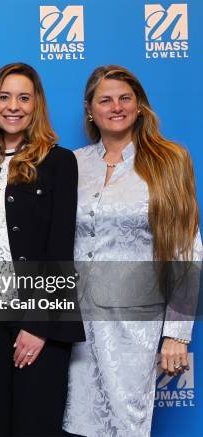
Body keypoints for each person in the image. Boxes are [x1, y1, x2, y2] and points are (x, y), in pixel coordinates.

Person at [63, 65, 201, 437]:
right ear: (90, 110)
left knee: (127, 423)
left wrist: (177, 333)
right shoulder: (72, 164)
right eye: (105, 100)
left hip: (133, 324)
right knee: (74, 423)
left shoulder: (169, 160)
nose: (116, 106)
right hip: (74, 322)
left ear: (139, 106)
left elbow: (185, 248)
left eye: (125, 98)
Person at [0, 63, 84, 436]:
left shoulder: (59, 161)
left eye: (23, 97)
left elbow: (60, 246)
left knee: (35, 426)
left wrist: (38, 326)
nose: (13, 106)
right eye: (4, 97)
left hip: (40, 321)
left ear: (36, 106)